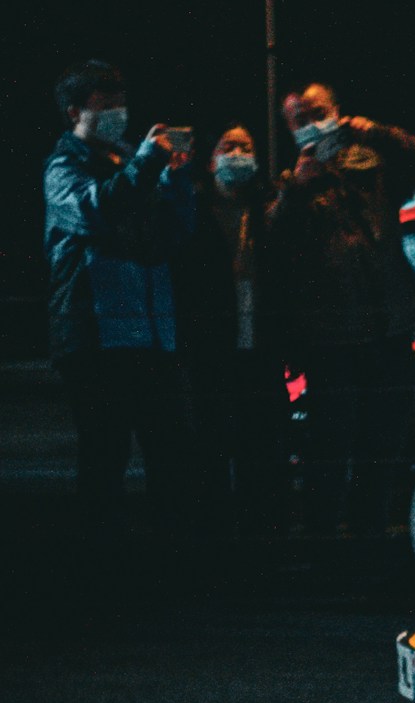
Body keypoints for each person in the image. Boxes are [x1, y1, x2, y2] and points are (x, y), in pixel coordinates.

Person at [266, 80, 415, 536]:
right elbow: (275, 244)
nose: (312, 125)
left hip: (388, 331)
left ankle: (369, 538)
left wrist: (374, 132)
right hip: (332, 340)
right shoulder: (289, 184)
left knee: (384, 443)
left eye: (319, 113)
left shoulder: (372, 171)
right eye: (300, 120)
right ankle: (322, 543)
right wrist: (297, 189)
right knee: (331, 446)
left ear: (337, 111)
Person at [43, 60, 197, 549]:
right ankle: (102, 561)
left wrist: (174, 181)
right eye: (102, 105)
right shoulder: (63, 167)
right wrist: (149, 162)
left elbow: (176, 235)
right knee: (105, 452)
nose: (116, 112)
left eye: (119, 102)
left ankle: (173, 552)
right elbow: (98, 212)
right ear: (73, 113)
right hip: (96, 334)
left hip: (152, 331)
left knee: (168, 449)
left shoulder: (131, 160)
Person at [177, 124, 286, 537]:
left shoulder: (268, 207)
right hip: (211, 349)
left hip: (261, 345)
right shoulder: (194, 208)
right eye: (228, 146)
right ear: (210, 160)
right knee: (211, 447)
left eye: (246, 145)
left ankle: (263, 537)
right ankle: (215, 538)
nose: (237, 152)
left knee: (263, 449)